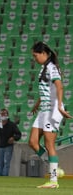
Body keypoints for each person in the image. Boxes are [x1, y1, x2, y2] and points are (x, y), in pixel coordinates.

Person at [29, 41, 72, 189]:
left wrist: (59, 106)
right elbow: (46, 89)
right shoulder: (43, 68)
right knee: (33, 142)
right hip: (44, 109)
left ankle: (53, 180)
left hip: (53, 109)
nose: (35, 58)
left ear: (43, 53)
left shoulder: (52, 68)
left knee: (49, 144)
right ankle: (55, 168)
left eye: (35, 55)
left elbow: (59, 86)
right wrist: (37, 104)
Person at [0, 108, 21, 176]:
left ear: (7, 115)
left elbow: (18, 134)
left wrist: (13, 138)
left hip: (8, 146)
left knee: (6, 163)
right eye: (2, 114)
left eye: (4, 114)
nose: (3, 115)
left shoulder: (12, 125)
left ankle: (4, 177)